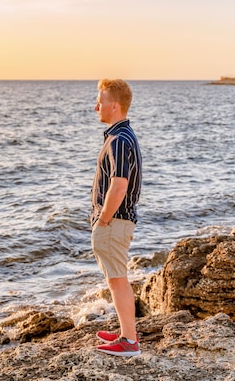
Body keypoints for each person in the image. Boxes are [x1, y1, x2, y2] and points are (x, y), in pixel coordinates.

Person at [90, 79, 142, 357]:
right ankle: (126, 333)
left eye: (100, 100)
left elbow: (119, 184)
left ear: (114, 106)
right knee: (116, 277)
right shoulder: (121, 136)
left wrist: (104, 220)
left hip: (115, 220)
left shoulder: (119, 139)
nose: (96, 106)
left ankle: (129, 342)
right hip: (117, 220)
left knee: (117, 279)